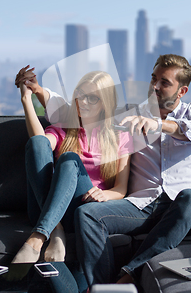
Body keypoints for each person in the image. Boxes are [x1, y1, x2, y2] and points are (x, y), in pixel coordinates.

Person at [17, 54, 191, 288]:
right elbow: (78, 107)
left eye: (164, 82)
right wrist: (36, 89)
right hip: (144, 206)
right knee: (87, 214)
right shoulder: (133, 115)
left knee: (190, 197)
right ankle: (101, 288)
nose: (154, 86)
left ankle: (131, 272)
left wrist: (159, 125)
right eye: (153, 78)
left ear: (181, 91)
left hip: (187, 210)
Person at [13, 69, 132, 264]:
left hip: (84, 209)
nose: (83, 102)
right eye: (80, 95)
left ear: (105, 103)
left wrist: (106, 194)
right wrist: (27, 100)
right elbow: (39, 146)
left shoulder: (120, 136)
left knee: (69, 160)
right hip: (48, 208)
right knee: (39, 143)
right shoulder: (64, 127)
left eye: (92, 98)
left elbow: (121, 189)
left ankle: (44, 234)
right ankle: (53, 230)